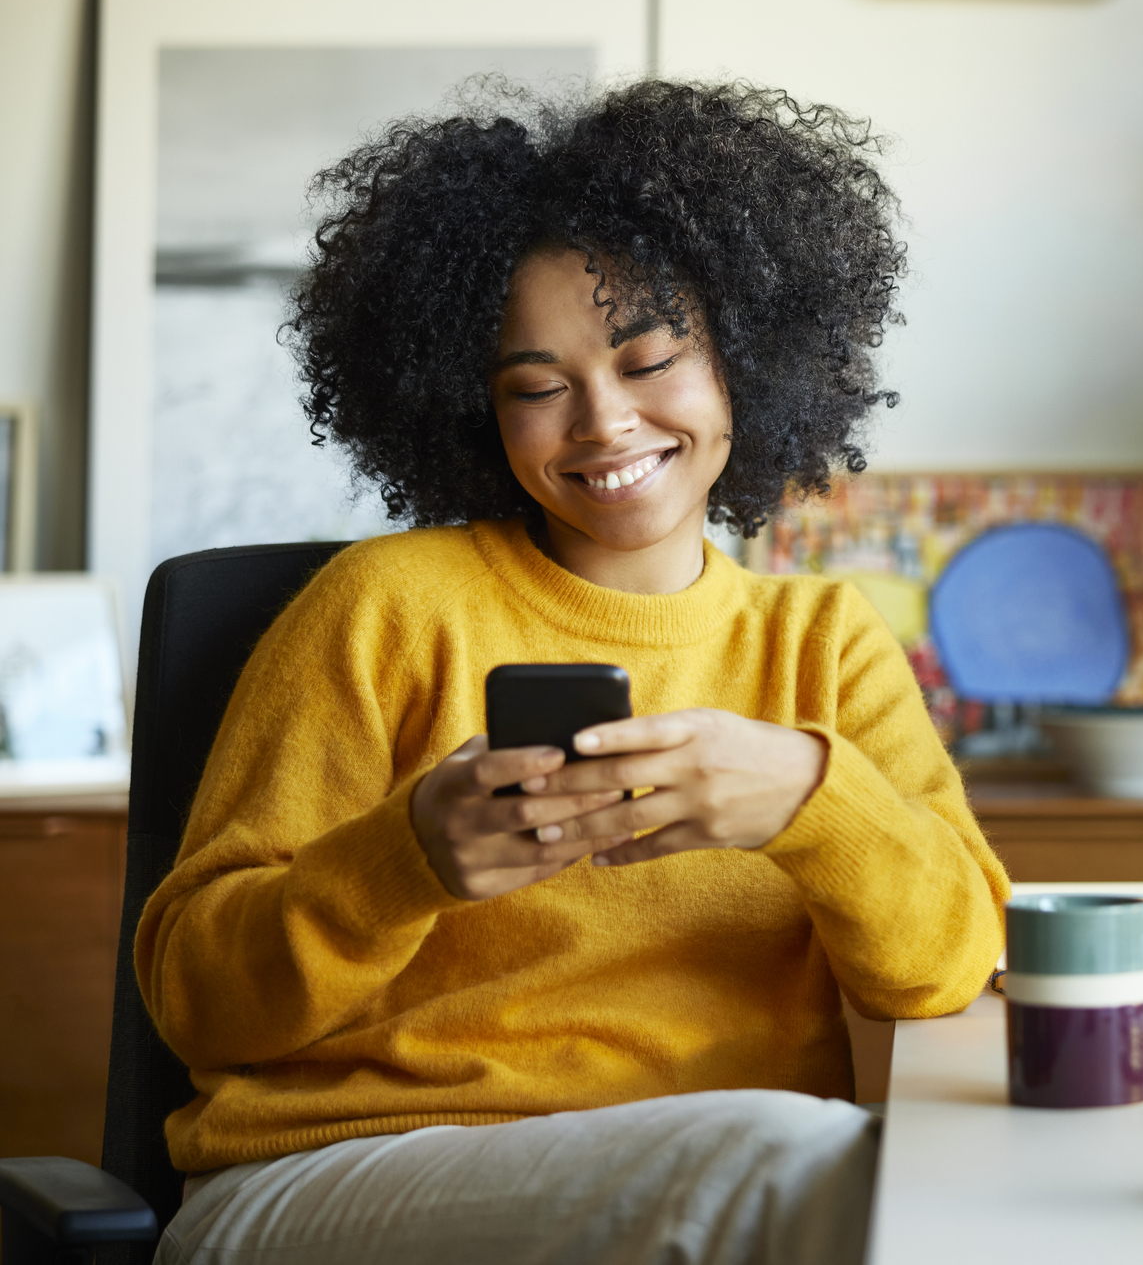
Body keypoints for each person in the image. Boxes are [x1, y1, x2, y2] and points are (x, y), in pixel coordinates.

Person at [138, 80, 1010, 1265]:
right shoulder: (386, 606)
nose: (603, 422)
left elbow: (954, 963)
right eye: (538, 389)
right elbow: (194, 995)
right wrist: (405, 861)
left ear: (746, 358)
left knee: (898, 1174)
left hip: (701, 1189)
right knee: (814, 1168)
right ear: (473, 410)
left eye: (650, 359)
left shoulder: (822, 642)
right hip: (331, 1177)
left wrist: (813, 800)